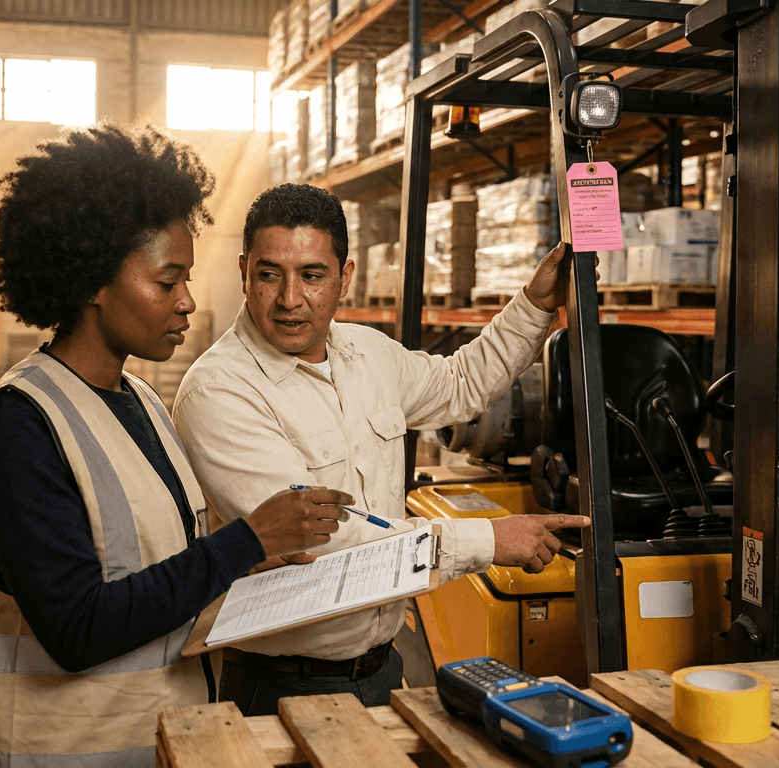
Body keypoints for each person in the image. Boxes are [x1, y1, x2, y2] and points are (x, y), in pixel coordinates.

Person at [0, 128, 353, 767]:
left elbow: (158, 568)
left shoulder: (142, 402)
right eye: (167, 282)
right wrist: (245, 542)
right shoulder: (16, 428)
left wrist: (245, 567)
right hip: (56, 757)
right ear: (92, 282)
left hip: (159, 743)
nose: (188, 301)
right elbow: (76, 628)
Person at [172, 183, 590, 716]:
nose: (290, 299)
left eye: (312, 276)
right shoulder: (220, 391)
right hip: (281, 683)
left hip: (382, 669)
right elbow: (325, 542)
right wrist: (486, 539)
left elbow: (460, 383)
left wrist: (535, 304)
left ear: (345, 277)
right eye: (270, 274)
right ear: (244, 273)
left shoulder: (366, 353)